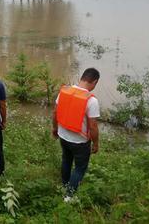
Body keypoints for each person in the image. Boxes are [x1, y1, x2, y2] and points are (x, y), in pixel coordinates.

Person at [52, 68, 100, 201]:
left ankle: (65, 185)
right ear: (94, 82)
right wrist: (96, 143)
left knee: (66, 160)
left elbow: (55, 113)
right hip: (80, 142)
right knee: (79, 168)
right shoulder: (91, 100)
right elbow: (93, 126)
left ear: (82, 78)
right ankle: (69, 196)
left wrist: (54, 128)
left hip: (63, 135)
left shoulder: (64, 91)